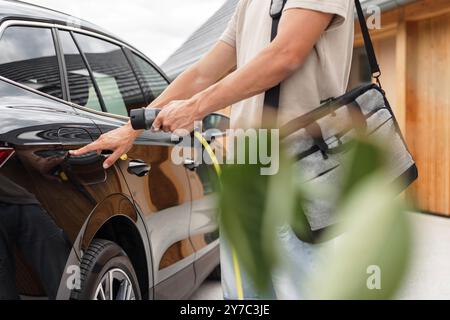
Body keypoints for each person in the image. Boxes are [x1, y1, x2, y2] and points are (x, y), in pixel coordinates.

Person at [71, 0, 354, 299]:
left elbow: (285, 55)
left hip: (300, 163)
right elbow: (204, 73)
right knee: (244, 295)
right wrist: (132, 128)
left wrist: (195, 107)